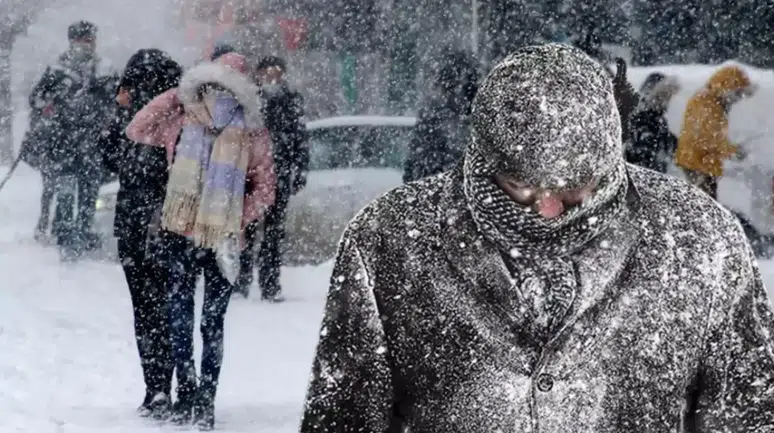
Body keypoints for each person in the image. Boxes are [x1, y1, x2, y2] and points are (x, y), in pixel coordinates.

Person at [301, 44, 774, 432]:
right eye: (520, 186)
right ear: (484, 159)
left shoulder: (699, 240)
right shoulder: (390, 240)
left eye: (572, 189)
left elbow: (749, 413)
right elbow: (344, 418)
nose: (547, 210)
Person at [126, 52, 275, 430]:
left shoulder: (199, 120)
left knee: (189, 319)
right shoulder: (205, 121)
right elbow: (138, 128)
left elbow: (138, 127)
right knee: (205, 322)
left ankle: (194, 395)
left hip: (199, 236)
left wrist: (232, 217)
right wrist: (236, 216)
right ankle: (201, 396)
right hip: (206, 237)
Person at [100, 48, 183, 419]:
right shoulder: (182, 114)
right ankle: (175, 384)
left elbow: (106, 158)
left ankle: (157, 386)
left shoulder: (139, 121)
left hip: (139, 223)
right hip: (170, 223)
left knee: (147, 310)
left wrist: (119, 110)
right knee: (170, 307)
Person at [28, 20, 111, 257]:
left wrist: (105, 120)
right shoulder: (57, 69)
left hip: (92, 142)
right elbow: (36, 100)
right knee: (65, 191)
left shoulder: (104, 68)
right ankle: (65, 236)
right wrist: (53, 99)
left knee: (89, 193)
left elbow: (114, 103)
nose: (86, 45)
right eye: (81, 40)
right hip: (62, 141)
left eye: (89, 40)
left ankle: (82, 234)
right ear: (72, 42)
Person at [235, 55, 307, 301]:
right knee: (248, 229)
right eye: (267, 72)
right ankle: (242, 280)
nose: (272, 78)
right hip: (252, 175)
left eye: (277, 72)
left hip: (280, 174)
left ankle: (270, 284)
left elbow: (300, 137)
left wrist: (299, 170)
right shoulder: (250, 101)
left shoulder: (291, 101)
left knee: (274, 234)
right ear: (259, 74)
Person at [675, 65, 757, 199]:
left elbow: (713, 136)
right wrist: (732, 151)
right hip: (698, 164)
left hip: (701, 163)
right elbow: (707, 139)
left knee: (705, 207)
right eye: (738, 93)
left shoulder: (714, 101)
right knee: (704, 208)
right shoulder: (707, 104)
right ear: (726, 88)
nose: (739, 99)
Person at [402, 49, 479, 183]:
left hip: (436, 178)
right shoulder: (470, 110)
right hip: (453, 179)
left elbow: (418, 149)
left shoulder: (433, 110)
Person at [625, 72, 681, 173]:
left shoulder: (656, 118)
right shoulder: (643, 120)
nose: (667, 101)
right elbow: (641, 155)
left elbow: (667, 141)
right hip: (645, 179)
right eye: (664, 96)